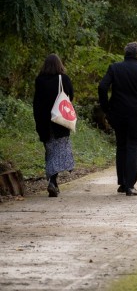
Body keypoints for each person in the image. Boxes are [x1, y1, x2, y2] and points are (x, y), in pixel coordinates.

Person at [98, 41, 137, 197]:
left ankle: (122, 183)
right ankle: (130, 185)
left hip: (117, 114)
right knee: (133, 147)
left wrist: (106, 108)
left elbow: (102, 87)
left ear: (126, 54)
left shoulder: (115, 68)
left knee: (121, 146)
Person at [33, 54, 76, 197]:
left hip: (44, 122)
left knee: (50, 151)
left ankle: (53, 182)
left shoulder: (40, 80)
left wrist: (38, 122)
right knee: (58, 151)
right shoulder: (64, 79)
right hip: (60, 121)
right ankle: (52, 180)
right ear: (59, 65)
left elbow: (36, 103)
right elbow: (70, 96)